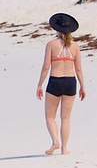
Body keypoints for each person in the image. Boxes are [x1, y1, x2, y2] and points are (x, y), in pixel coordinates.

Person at [36, 13, 86, 155]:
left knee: (50, 116)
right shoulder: (75, 47)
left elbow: (46, 67)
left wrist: (40, 85)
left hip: (55, 81)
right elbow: (78, 69)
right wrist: (83, 86)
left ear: (56, 29)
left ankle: (55, 141)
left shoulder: (51, 45)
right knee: (66, 117)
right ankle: (64, 148)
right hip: (70, 82)